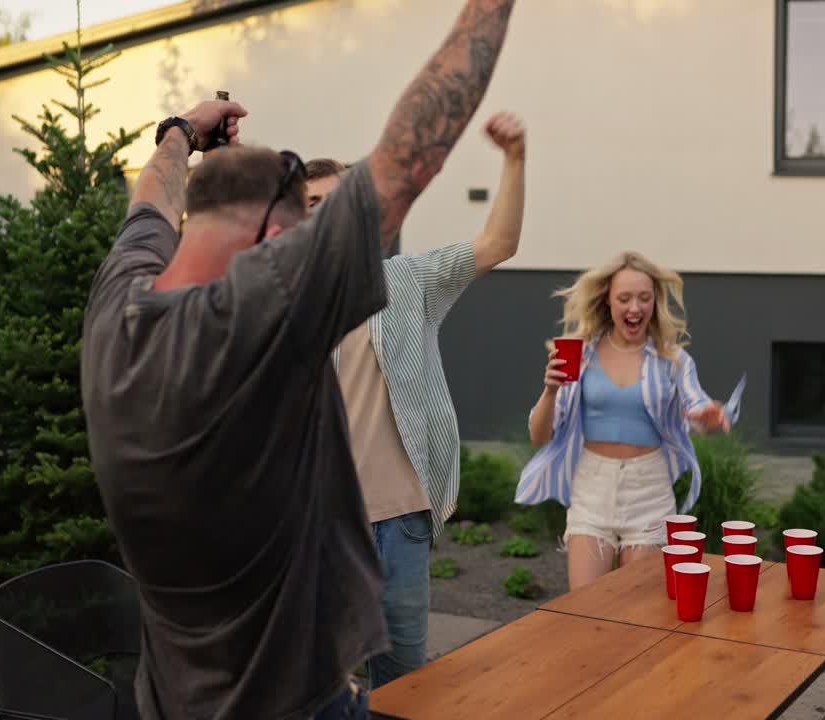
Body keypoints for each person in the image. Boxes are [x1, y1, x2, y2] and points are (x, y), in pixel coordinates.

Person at [79, 2, 518, 718]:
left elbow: (151, 201)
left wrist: (179, 134)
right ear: (270, 239)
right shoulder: (250, 322)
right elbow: (409, 157)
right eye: (293, 238)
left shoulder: (117, 303)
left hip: (175, 702)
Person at [306, 111, 526, 688]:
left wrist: (515, 158)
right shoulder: (283, 301)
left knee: (405, 684)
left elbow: (498, 243)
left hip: (400, 519)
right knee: (315, 684)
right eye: (310, 205)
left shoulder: (406, 281)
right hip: (322, 525)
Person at [516, 251, 740, 589]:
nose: (635, 308)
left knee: (639, 617)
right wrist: (549, 391)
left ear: (655, 303)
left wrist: (710, 417)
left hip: (648, 490)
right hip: (592, 488)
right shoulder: (580, 353)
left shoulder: (674, 359)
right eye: (624, 298)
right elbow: (539, 436)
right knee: (587, 609)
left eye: (644, 298)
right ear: (607, 301)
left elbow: (700, 412)